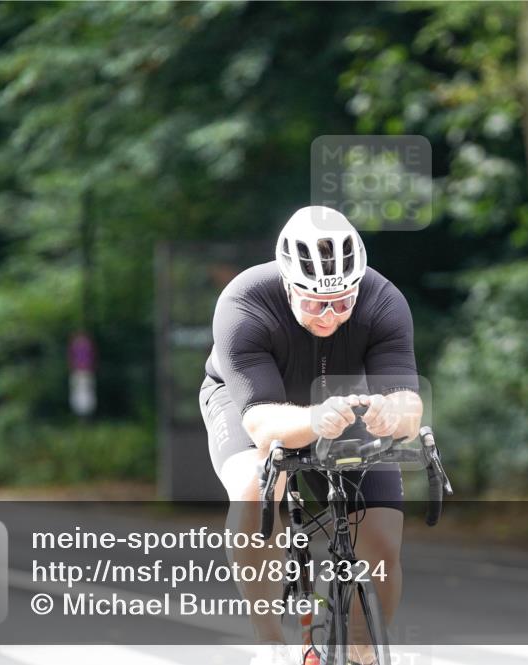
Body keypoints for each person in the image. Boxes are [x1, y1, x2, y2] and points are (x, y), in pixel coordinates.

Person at [198, 205, 423, 665]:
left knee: (382, 536)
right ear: (288, 285)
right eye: (314, 302)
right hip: (250, 403)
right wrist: (314, 419)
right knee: (256, 484)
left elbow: (409, 405)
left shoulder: (383, 300)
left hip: (340, 401)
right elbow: (262, 426)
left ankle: (362, 650)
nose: (329, 315)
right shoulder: (243, 302)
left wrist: (392, 414)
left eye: (343, 302)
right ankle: (269, 644)